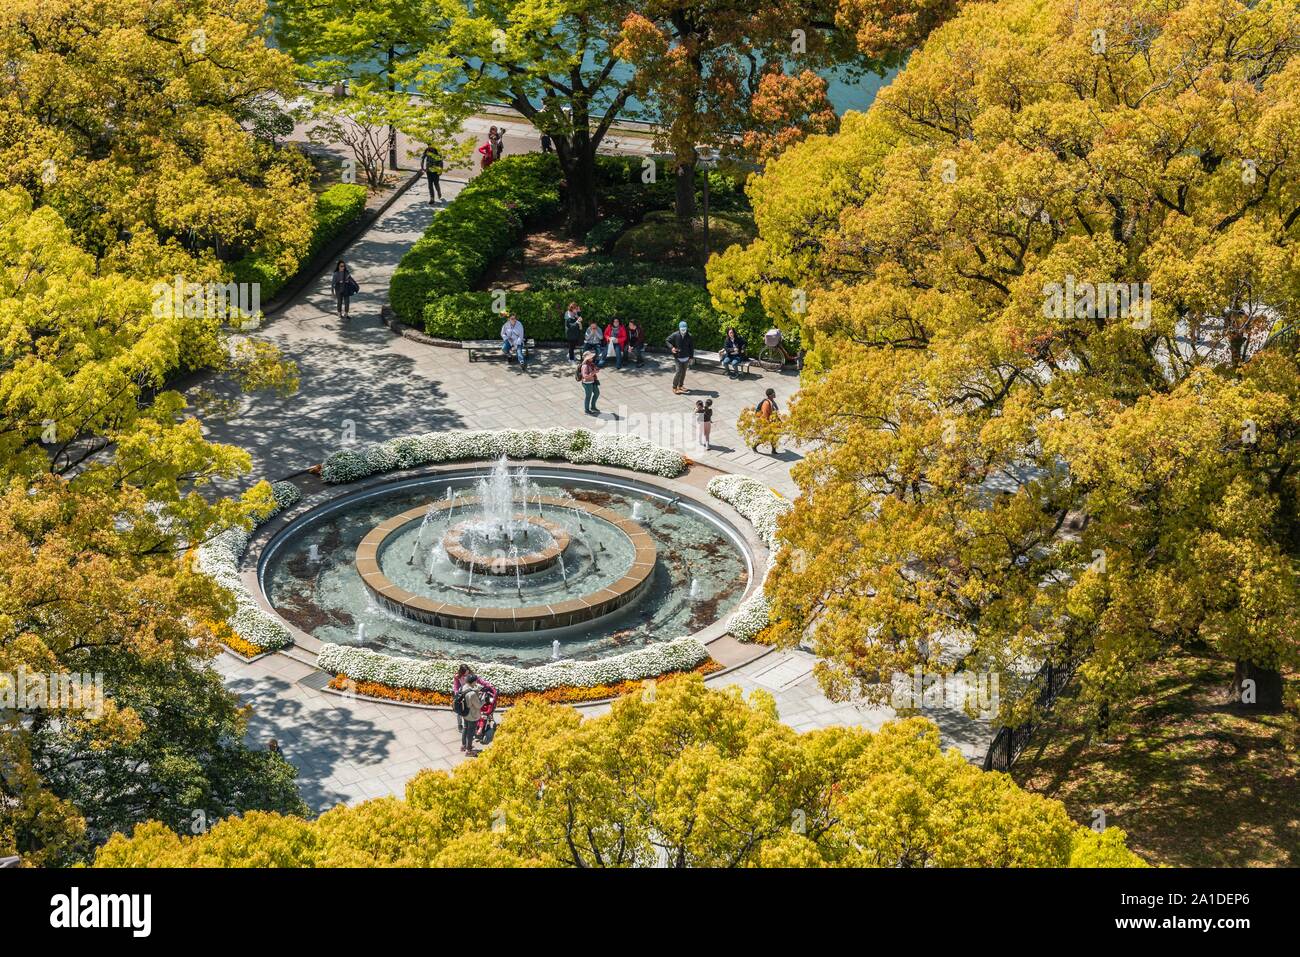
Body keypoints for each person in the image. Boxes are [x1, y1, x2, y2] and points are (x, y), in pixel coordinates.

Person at [456, 677, 484, 755]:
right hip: (472, 715)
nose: (476, 683)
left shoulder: (464, 687)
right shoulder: (472, 694)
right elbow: (478, 705)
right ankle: (469, 750)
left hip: (465, 713)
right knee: (471, 733)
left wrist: (476, 691)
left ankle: (463, 746)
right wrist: (484, 700)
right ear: (473, 682)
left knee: (465, 728)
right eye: (476, 682)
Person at [666, 321, 694, 394]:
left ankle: (680, 386)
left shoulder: (689, 336)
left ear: (687, 328)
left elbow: (691, 347)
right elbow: (667, 340)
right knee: (678, 372)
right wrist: (672, 348)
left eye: (685, 329)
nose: (683, 331)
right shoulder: (675, 335)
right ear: (679, 328)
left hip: (686, 357)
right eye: (682, 329)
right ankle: (674, 387)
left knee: (684, 372)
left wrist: (691, 357)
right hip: (678, 357)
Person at [752, 388, 779, 454]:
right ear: (770, 395)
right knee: (765, 437)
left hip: (773, 422)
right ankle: (754, 446)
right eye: (773, 393)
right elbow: (764, 415)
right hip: (767, 423)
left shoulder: (772, 401)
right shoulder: (766, 403)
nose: (775, 394)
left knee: (774, 436)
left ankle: (773, 450)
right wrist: (767, 425)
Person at [579, 350, 600, 415]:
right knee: (588, 396)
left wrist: (596, 369)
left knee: (597, 393)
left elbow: (593, 370)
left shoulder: (590, 363)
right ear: (587, 358)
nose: (592, 358)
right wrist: (593, 372)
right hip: (587, 383)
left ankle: (593, 407)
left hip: (593, 381)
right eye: (591, 357)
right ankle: (587, 410)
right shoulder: (585, 366)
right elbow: (585, 376)